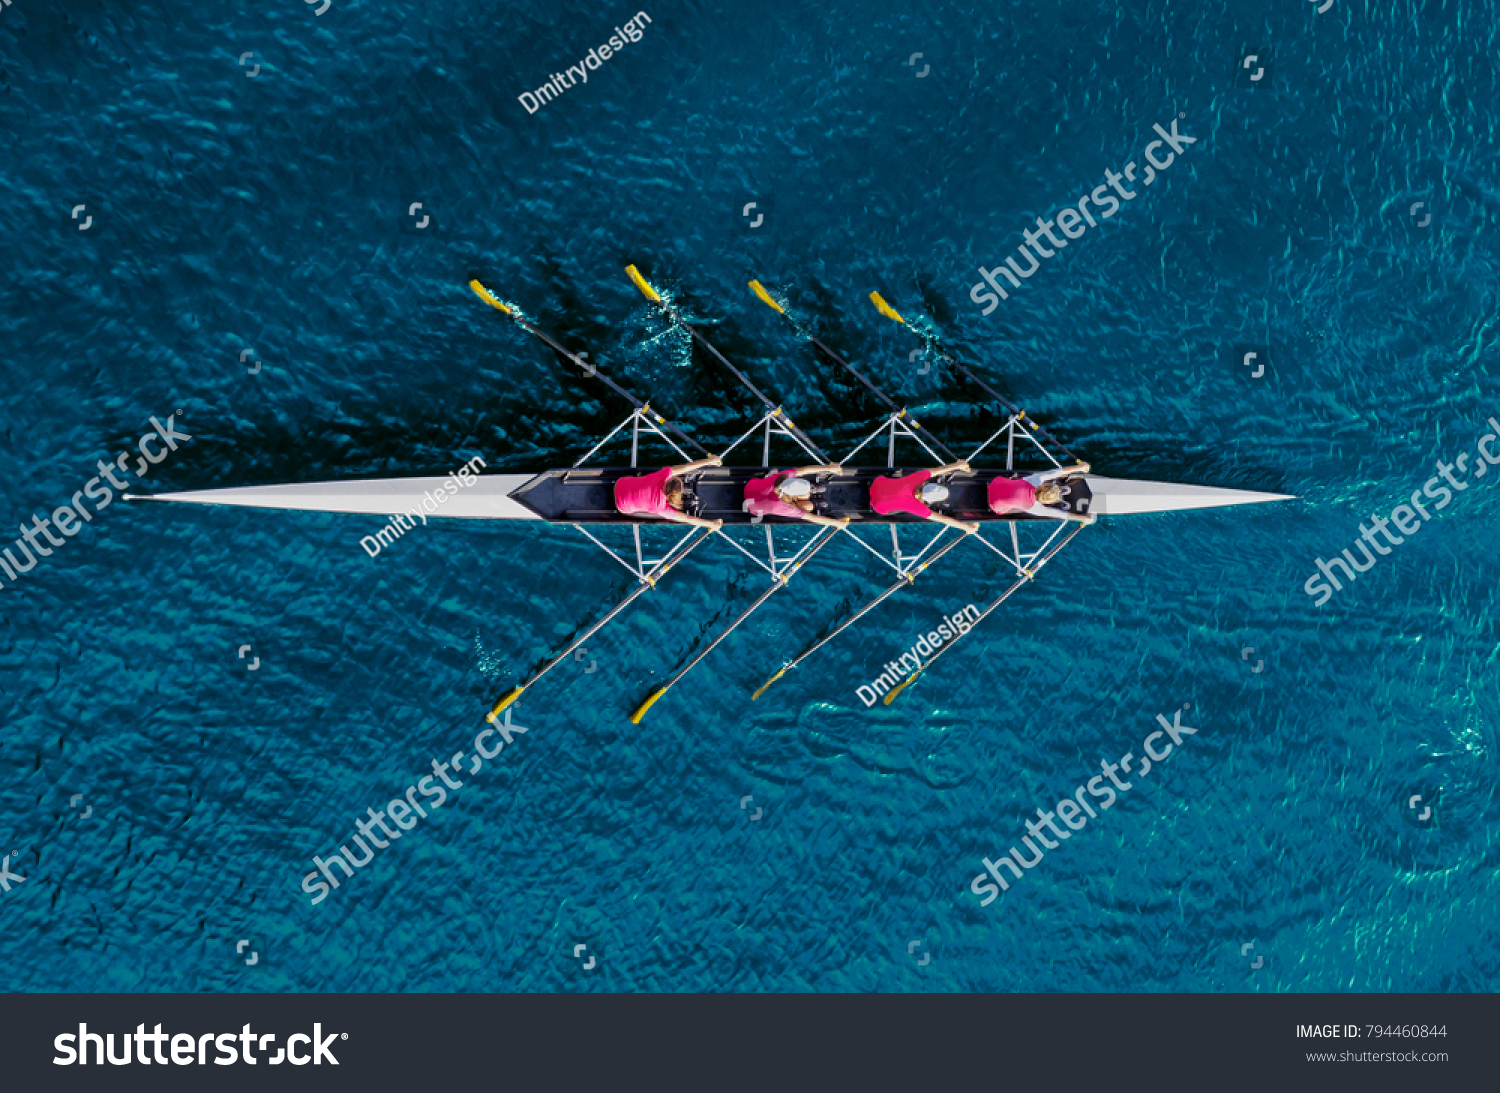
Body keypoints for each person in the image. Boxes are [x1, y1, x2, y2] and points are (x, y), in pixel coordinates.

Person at [614, 456, 724, 529]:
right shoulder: (661, 507)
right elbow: (687, 518)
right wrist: (711, 524)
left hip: (620, 482)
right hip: (621, 507)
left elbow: (685, 467)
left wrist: (709, 461)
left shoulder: (663, 476)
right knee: (659, 514)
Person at [869, 460, 979, 533]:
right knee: (901, 509)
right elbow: (944, 519)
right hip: (877, 506)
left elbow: (938, 470)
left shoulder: (917, 478)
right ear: (929, 502)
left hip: (877, 482)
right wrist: (967, 528)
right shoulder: (918, 507)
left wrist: (958, 465)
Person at [742, 464, 850, 528]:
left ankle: (811, 493)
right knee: (808, 507)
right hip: (753, 508)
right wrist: (836, 523)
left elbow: (803, 470)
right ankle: (813, 500)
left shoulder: (780, 479)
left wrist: (830, 468)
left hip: (750, 486)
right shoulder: (782, 507)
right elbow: (810, 517)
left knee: (806, 495)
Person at [987, 462, 1094, 522]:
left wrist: (1079, 467)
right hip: (994, 506)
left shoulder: (1035, 480)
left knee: (1017, 486)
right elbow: (1060, 514)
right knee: (1019, 508)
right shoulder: (1034, 507)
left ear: (1045, 485)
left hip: (994, 483)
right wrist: (1084, 518)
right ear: (1047, 502)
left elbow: (1056, 472)